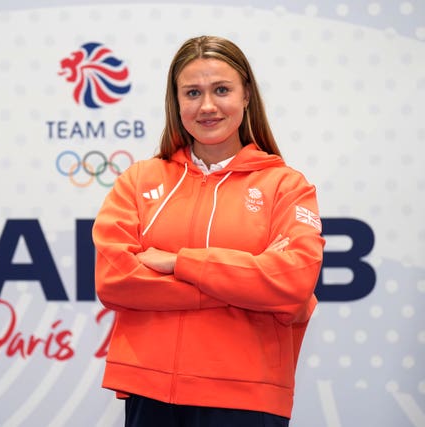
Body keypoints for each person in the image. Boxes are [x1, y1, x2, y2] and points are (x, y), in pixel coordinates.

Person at [92, 35, 325, 427]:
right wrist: (243, 280)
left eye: (221, 90)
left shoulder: (286, 186)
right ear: (176, 101)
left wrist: (177, 262)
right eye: (192, 92)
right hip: (151, 394)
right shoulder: (138, 180)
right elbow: (114, 280)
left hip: (248, 397)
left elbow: (292, 284)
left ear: (246, 94)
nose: (207, 106)